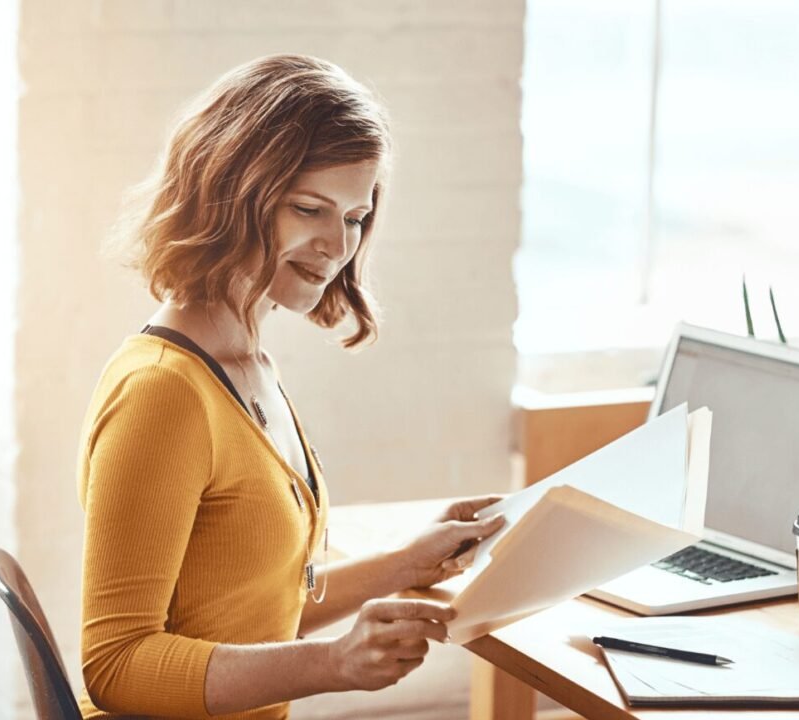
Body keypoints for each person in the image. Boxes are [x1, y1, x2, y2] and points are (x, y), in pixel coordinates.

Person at [77, 54, 505, 719]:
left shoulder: (247, 364)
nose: (338, 245)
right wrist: (334, 662)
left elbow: (257, 605)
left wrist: (405, 564)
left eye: (356, 217)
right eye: (311, 208)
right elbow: (117, 665)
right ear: (232, 191)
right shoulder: (163, 392)